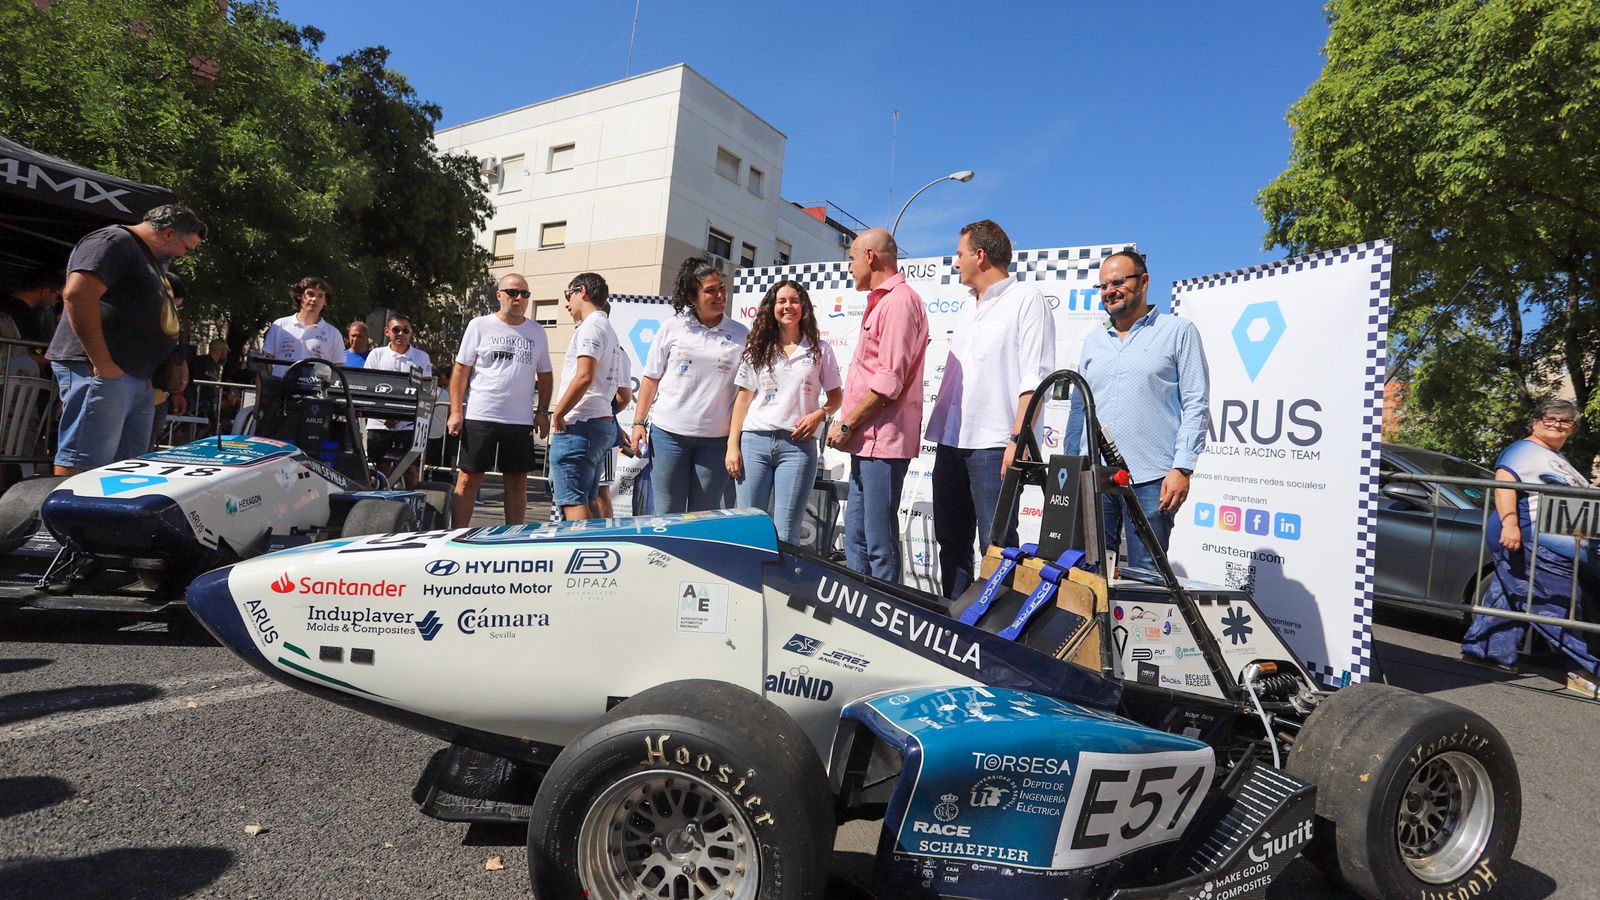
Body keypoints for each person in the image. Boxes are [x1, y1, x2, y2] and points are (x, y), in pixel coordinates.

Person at [925, 220, 1056, 599]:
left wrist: (1018, 439)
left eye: (960, 254)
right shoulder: (968, 307)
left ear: (979, 256)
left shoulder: (1026, 299)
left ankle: (996, 635)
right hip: (952, 443)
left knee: (996, 547)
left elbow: (1036, 378)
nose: (955, 263)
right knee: (950, 541)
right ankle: (955, 623)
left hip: (995, 445)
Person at [1065, 249, 1208, 573]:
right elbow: (1079, 408)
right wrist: (1071, 467)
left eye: (1117, 281)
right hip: (1094, 476)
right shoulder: (1094, 341)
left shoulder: (1178, 332)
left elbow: (1196, 402)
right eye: (1102, 285)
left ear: (1143, 281)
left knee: (1147, 578)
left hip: (1152, 478)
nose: (1109, 291)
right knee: (1090, 577)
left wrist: (1182, 468)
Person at [46, 203, 205, 475]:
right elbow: (78, 295)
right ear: (168, 234)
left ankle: (104, 517)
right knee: (84, 461)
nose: (184, 256)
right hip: (102, 369)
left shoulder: (147, 258)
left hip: (134, 376)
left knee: (126, 468)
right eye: (186, 248)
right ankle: (67, 517)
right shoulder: (115, 241)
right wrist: (103, 364)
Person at [1461, 400, 1600, 678]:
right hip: (1530, 537)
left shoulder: (1558, 459)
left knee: (1510, 593)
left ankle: (1484, 651)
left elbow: (1572, 498)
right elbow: (1504, 483)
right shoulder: (1524, 449)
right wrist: (1510, 524)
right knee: (1556, 602)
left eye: (1565, 422)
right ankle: (1586, 670)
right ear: (1536, 421)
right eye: (1551, 419)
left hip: (1549, 540)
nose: (1557, 425)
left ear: (1573, 429)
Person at [826, 228, 928, 582]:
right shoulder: (884, 301)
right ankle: (856, 610)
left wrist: (845, 424)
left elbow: (888, 383)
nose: (850, 268)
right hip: (865, 444)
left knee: (879, 544)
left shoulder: (899, 302)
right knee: (856, 540)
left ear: (870, 256)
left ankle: (883, 617)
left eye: (852, 258)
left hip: (880, 444)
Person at [726, 280, 842, 543]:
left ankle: (780, 585)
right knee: (748, 526)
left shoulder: (820, 350)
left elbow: (836, 397)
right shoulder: (757, 349)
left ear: (804, 307)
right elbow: (743, 400)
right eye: (781, 301)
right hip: (754, 443)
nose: (788, 306)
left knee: (786, 531)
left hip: (798, 447)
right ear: (772, 307)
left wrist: (819, 415)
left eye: (794, 300)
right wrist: (733, 445)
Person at [630, 257, 748, 514]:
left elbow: (746, 393)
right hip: (669, 436)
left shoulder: (741, 334)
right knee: (667, 513)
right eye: (710, 290)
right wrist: (638, 423)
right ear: (693, 297)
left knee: (703, 516)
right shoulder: (672, 327)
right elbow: (651, 378)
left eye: (722, 288)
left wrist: (734, 441)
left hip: (716, 441)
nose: (720, 295)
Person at [447, 273, 552, 526]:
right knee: (468, 478)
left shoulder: (537, 331)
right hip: (481, 414)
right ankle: (457, 535)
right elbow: (461, 370)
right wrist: (455, 411)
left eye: (524, 294)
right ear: (499, 295)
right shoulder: (479, 325)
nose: (519, 298)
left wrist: (542, 411)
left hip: (518, 419)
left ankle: (513, 538)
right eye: (513, 293)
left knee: (517, 481)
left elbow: (546, 374)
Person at [550, 273, 623, 521]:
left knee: (573, 502)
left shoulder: (591, 327)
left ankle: (580, 553)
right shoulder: (608, 329)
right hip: (599, 422)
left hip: (581, 424)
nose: (566, 304)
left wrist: (559, 413)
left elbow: (584, 376)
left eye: (567, 295)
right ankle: (594, 552)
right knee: (589, 500)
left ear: (581, 291)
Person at [363, 313, 432, 487]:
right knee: (380, 469)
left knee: (410, 469)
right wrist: (384, 416)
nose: (401, 334)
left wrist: (402, 416)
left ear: (411, 333)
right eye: (396, 330)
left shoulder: (421, 357)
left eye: (405, 330)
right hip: (379, 423)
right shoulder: (376, 355)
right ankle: (377, 504)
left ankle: (412, 507)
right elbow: (368, 387)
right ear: (387, 332)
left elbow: (426, 391)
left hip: (408, 424)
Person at [262, 277, 343, 373]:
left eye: (320, 296)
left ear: (325, 301)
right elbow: (264, 364)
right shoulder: (280, 325)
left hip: (315, 387)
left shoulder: (334, 334)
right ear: (300, 296)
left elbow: (338, 369)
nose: (314, 299)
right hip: (280, 385)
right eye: (310, 294)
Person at [0, 265, 61, 377]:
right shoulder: (24, 316)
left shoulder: (4, 302)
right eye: (58, 297)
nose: (56, 302)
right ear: (45, 292)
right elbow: (24, 353)